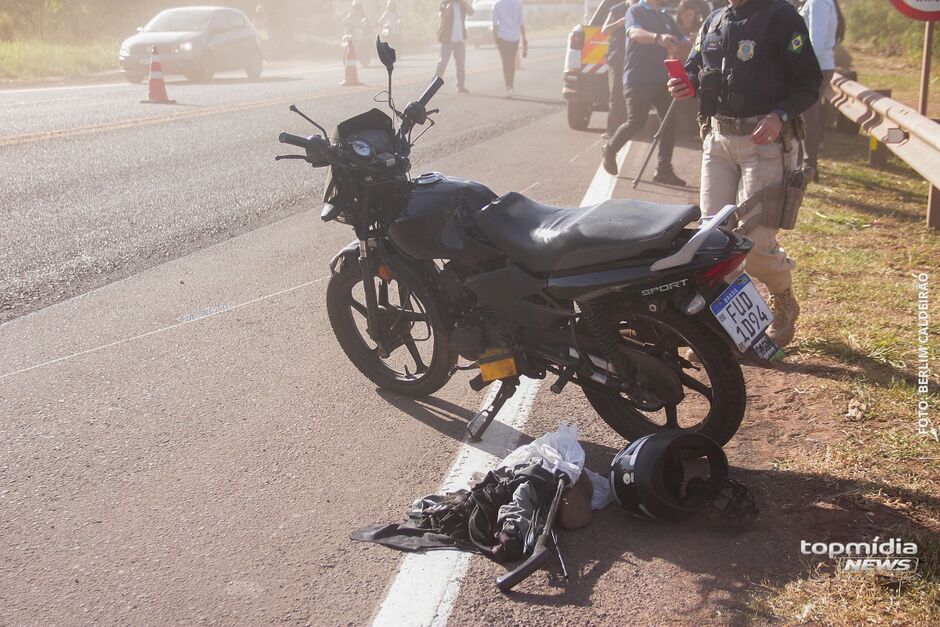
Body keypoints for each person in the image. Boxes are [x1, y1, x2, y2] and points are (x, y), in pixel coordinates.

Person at [669, 0, 822, 348]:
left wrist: (780, 115)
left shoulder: (782, 17)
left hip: (764, 142)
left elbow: (809, 81)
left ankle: (783, 298)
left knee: (754, 243)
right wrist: (685, 84)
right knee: (713, 240)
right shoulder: (714, 21)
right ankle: (723, 334)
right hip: (719, 141)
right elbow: (695, 68)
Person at [601, 0, 687, 186]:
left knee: (669, 122)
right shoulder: (635, 11)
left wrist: (696, 40)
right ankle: (610, 149)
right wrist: (657, 37)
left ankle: (663, 170)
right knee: (637, 122)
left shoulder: (665, 17)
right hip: (637, 78)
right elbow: (634, 33)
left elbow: (682, 40)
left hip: (661, 78)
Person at [800, 0, 844, 178]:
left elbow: (815, 41)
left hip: (816, 66)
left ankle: (809, 166)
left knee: (808, 116)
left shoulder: (818, 2)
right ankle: (809, 164)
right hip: (819, 65)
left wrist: (802, 65)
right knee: (808, 115)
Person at [600, 0, 629, 139]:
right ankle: (613, 130)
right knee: (616, 94)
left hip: (635, 58)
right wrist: (619, 22)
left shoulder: (645, 10)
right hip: (617, 58)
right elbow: (604, 29)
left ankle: (628, 129)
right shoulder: (617, 9)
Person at [436, 0, 474, 94]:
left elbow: (472, 12)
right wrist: (447, 9)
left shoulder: (462, 5)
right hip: (447, 40)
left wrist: (464, 2)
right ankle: (433, 86)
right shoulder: (445, 4)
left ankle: (460, 86)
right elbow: (442, 17)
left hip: (460, 40)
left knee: (460, 65)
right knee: (442, 63)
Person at [492, 0, 527, 98]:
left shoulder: (497, 4)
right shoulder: (518, 3)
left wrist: (495, 39)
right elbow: (521, 22)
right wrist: (524, 38)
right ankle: (511, 86)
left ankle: (508, 87)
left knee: (505, 62)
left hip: (502, 37)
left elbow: (494, 24)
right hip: (515, 37)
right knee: (511, 62)